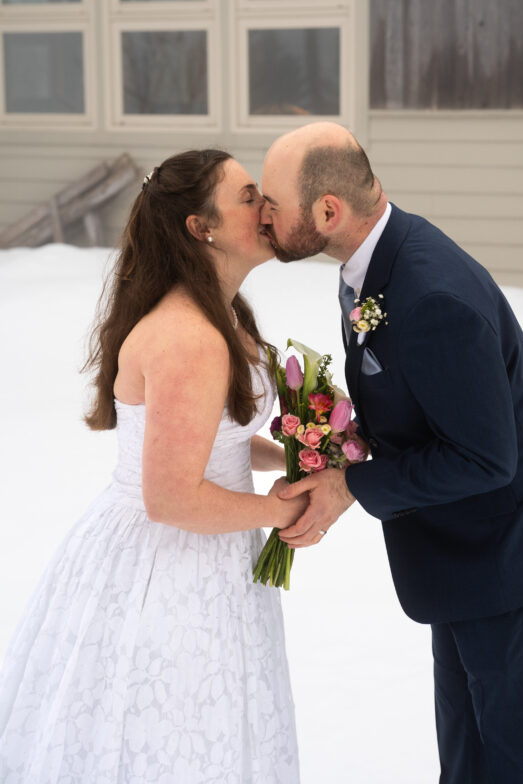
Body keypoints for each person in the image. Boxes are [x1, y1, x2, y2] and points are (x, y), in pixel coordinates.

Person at [260, 123, 523, 784]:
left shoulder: (429, 297)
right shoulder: (369, 263)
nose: (263, 215)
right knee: (467, 742)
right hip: (460, 544)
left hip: (509, 547)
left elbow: (482, 458)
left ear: (327, 211)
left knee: (512, 747)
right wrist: (340, 432)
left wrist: (351, 486)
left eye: (272, 203)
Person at [0, 149, 303, 783]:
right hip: (167, 565)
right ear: (202, 227)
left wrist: (296, 457)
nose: (265, 207)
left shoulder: (220, 315)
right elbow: (170, 495)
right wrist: (276, 509)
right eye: (248, 197)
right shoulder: (189, 336)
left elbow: (211, 438)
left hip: (214, 552)